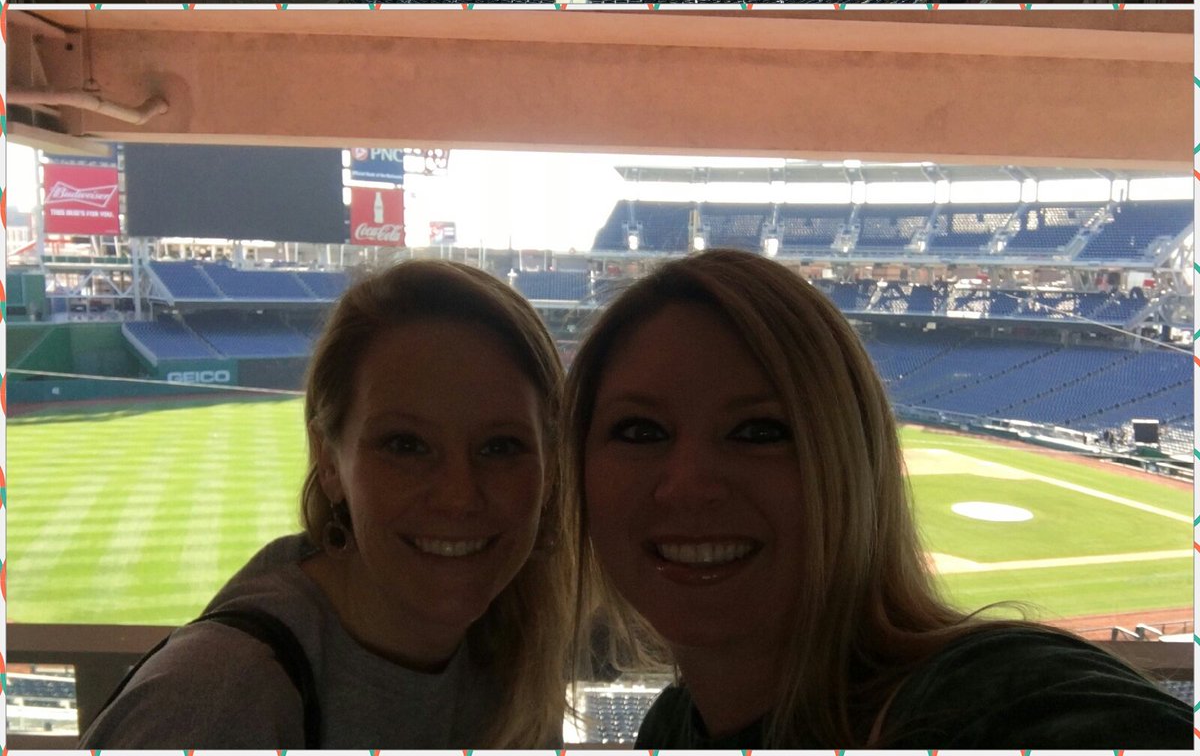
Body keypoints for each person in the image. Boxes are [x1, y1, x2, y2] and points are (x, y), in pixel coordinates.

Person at [564, 249, 1191, 748]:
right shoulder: (673, 729)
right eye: (639, 431)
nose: (688, 485)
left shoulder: (998, 703)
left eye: (760, 431)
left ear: (850, 462)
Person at [83, 260, 573, 748]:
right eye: (405, 445)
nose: (459, 495)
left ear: (549, 467)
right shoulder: (215, 701)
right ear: (329, 461)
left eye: (502, 447)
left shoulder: (515, 654)